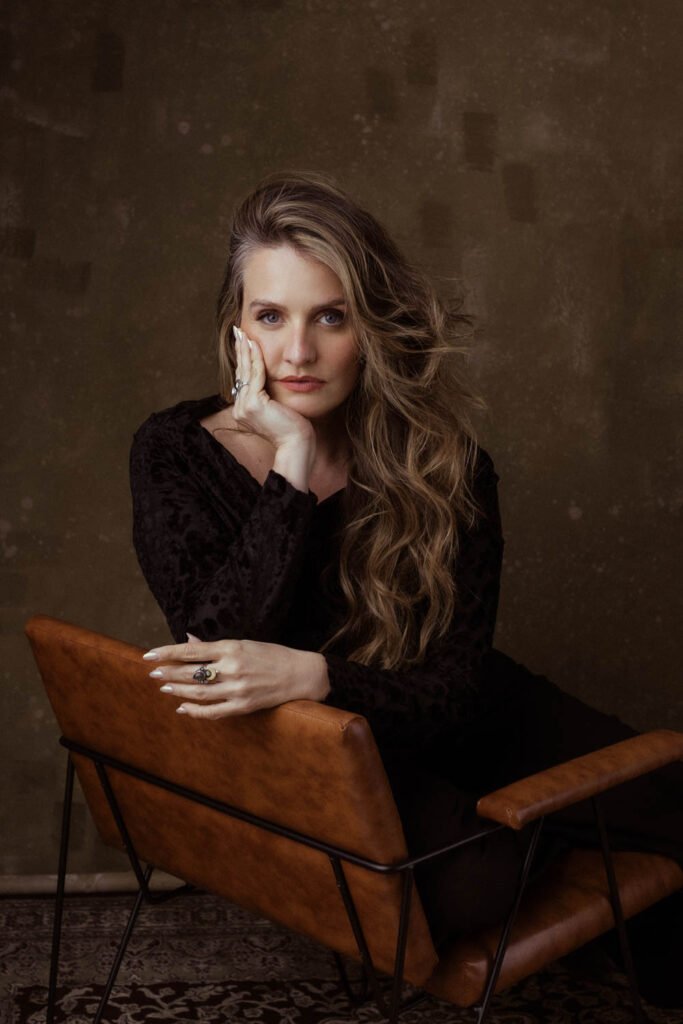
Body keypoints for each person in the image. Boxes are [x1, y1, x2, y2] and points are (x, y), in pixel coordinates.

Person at [130, 171, 682, 1007]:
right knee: (475, 885)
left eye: (331, 317)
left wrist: (317, 676)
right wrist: (289, 465)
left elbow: (454, 690)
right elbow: (212, 652)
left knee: (667, 801)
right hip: (333, 752)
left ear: (372, 326)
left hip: (442, 706)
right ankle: (548, 843)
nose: (297, 354)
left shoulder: (448, 469)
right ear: (235, 327)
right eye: (270, 316)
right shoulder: (173, 450)